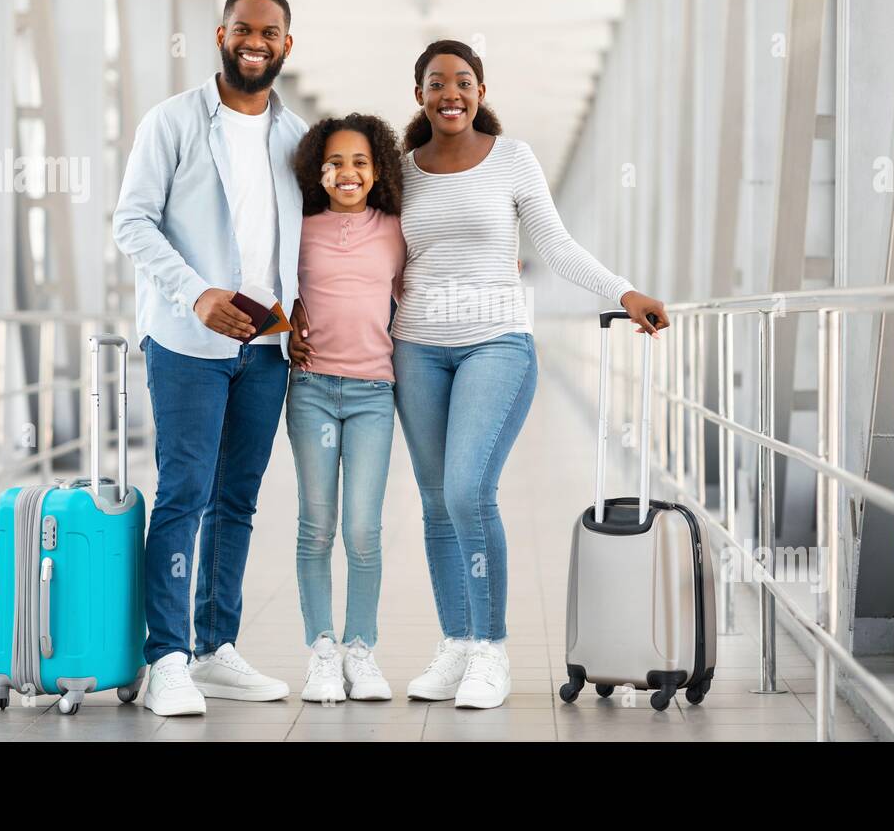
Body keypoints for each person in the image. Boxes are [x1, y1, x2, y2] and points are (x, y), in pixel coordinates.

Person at [389, 40, 669, 709]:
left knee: (466, 490)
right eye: (436, 83)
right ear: (420, 95)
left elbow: (557, 246)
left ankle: (490, 650)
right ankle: (456, 643)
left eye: (463, 81)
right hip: (416, 347)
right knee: (434, 502)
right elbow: (372, 254)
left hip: (497, 344)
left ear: (481, 92)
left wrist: (623, 292)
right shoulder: (402, 172)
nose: (450, 92)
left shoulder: (512, 159)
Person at [112, 0, 304, 716]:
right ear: (220, 35)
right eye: (242, 29)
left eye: (270, 32)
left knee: (237, 500)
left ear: (287, 45)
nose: (255, 41)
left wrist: (303, 311)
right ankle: (167, 656)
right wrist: (196, 292)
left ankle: (216, 646)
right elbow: (132, 222)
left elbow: (306, 238)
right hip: (188, 340)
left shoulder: (296, 136)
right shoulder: (172, 122)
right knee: (185, 491)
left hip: (265, 349)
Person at [284, 114, 406, 703]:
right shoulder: (299, 229)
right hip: (311, 391)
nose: (348, 172)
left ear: (377, 169)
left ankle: (361, 649)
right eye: (334, 162)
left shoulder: (395, 230)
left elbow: (421, 290)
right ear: (317, 171)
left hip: (373, 396)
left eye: (360, 161)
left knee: (362, 528)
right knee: (316, 526)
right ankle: (323, 651)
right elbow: (271, 286)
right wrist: (286, 328)